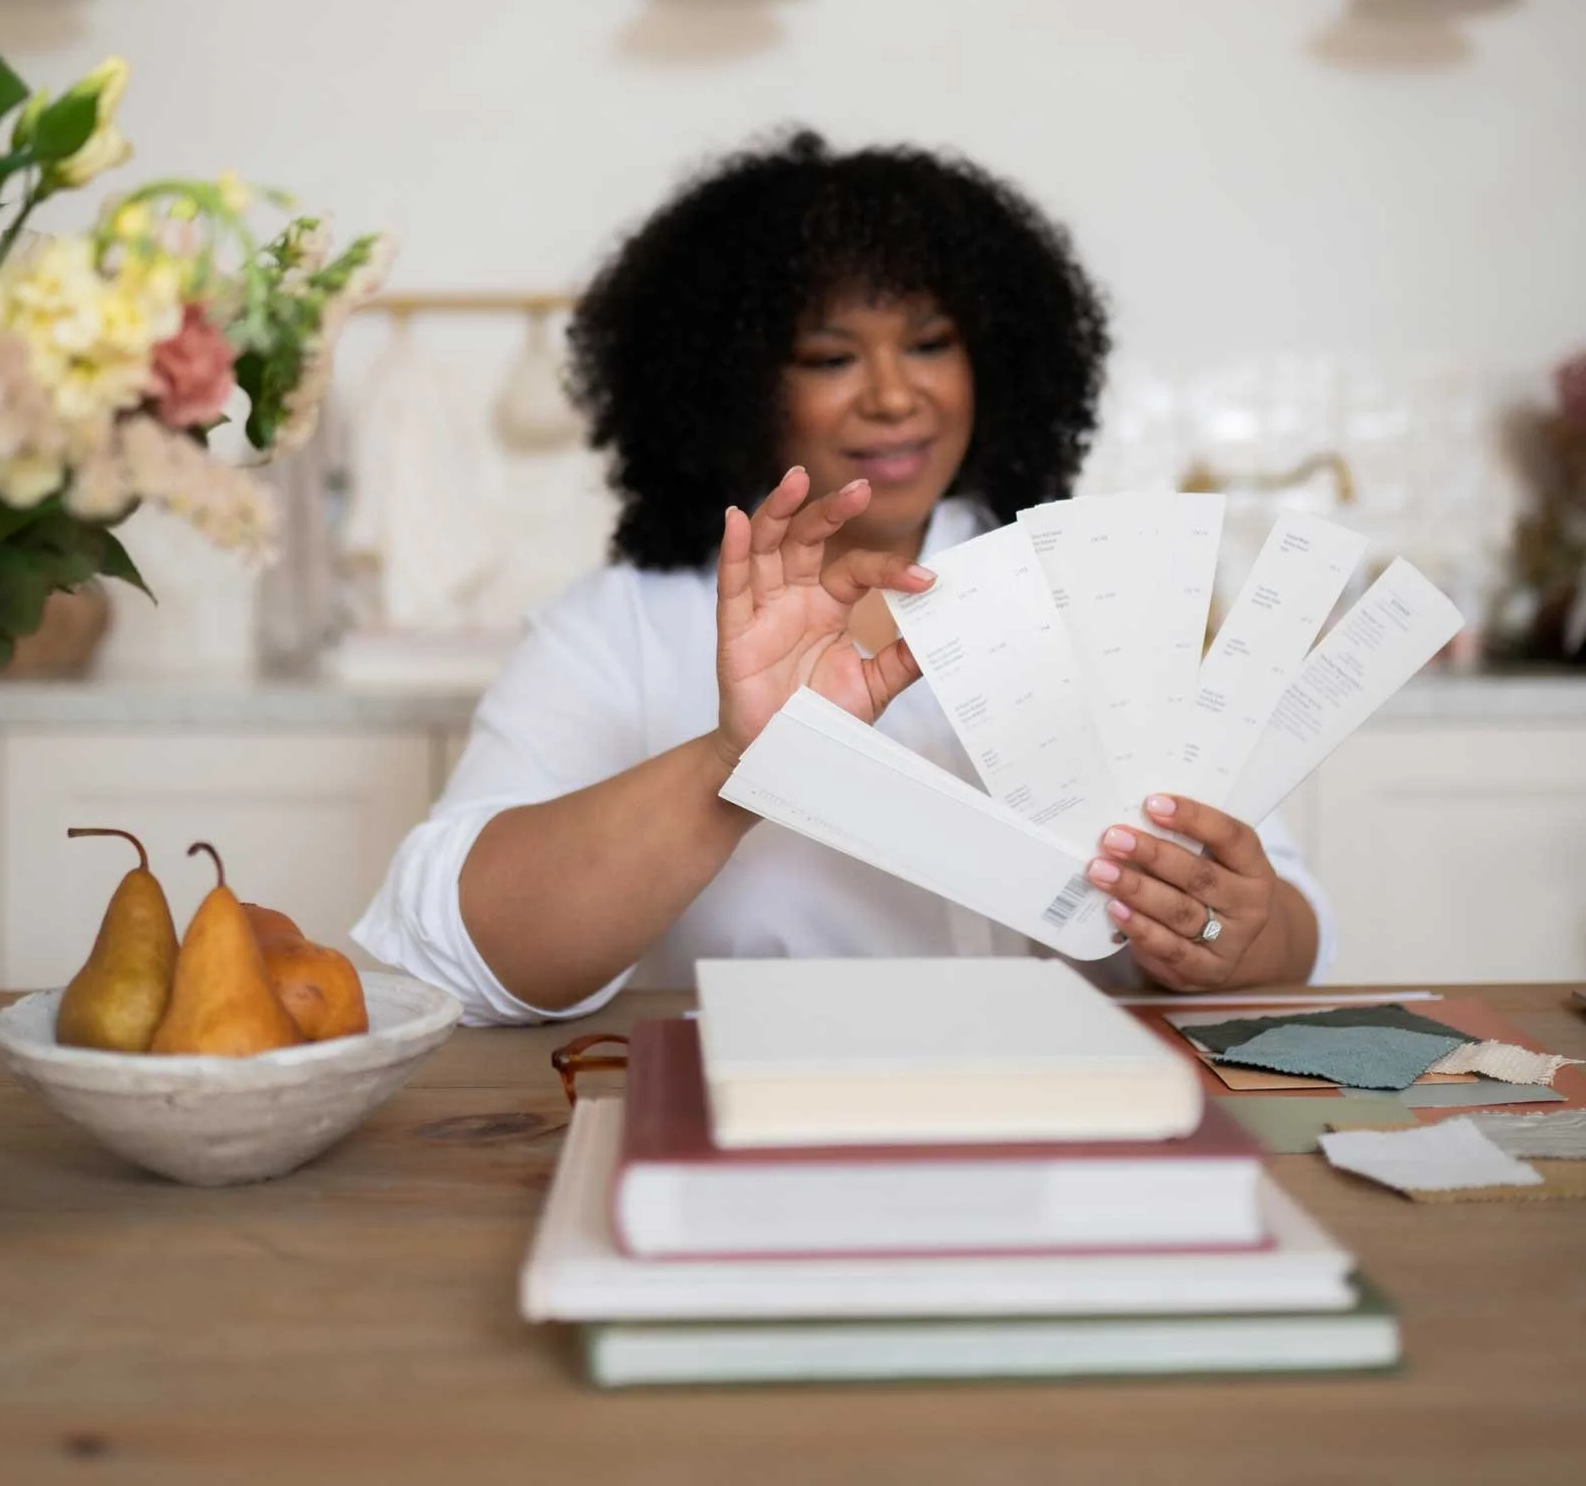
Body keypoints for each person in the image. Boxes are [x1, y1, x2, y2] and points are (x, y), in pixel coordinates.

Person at [354, 133, 1331, 1022]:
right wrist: (736, 759)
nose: (896, 394)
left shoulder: (1099, 594)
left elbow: (1282, 925)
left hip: (1088, 1133)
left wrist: (1238, 939)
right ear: (731, 381)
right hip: (749, 1149)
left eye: (930, 343)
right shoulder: (616, 627)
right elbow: (445, 955)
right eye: (831, 355)